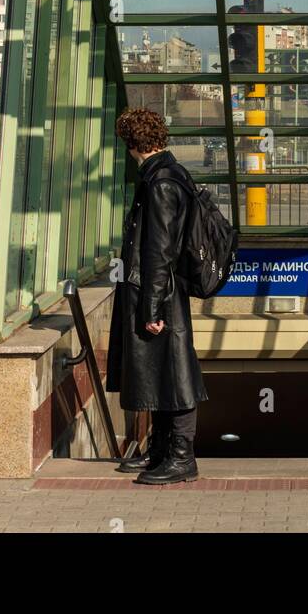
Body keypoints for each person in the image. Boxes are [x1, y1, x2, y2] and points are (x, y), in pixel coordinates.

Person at [106, 107, 207, 484]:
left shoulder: (162, 182)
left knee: (175, 374)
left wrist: (151, 305)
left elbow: (160, 250)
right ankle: (162, 450)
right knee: (160, 374)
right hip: (159, 290)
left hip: (158, 293)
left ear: (132, 144)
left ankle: (182, 457)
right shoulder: (164, 174)